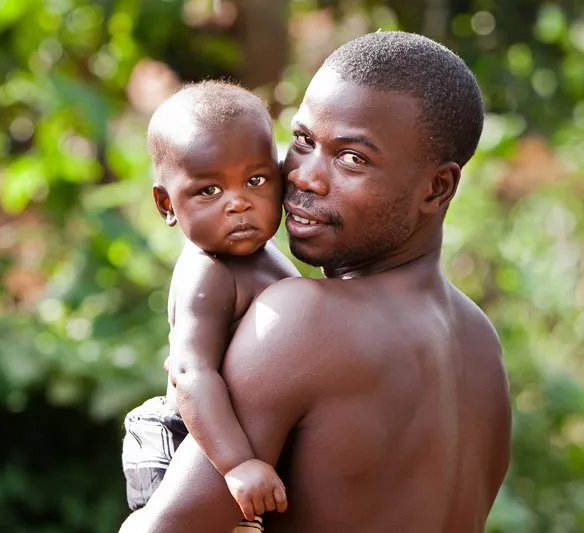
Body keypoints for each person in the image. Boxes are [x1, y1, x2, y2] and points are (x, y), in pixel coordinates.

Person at [119, 30, 512, 533]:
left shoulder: (303, 318)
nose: (306, 176)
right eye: (303, 141)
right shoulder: (482, 344)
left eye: (352, 158)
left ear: (437, 188)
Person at [120, 81, 301, 530]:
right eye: (208, 191)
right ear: (166, 204)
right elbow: (189, 373)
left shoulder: (267, 255)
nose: (238, 202)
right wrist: (237, 464)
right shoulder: (209, 271)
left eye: (255, 181)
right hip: (189, 441)